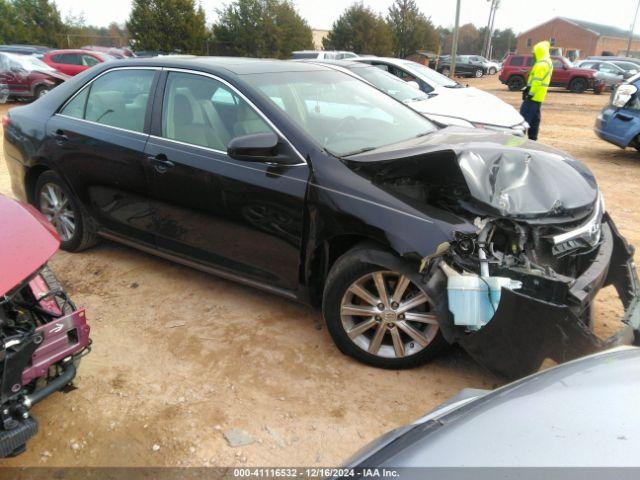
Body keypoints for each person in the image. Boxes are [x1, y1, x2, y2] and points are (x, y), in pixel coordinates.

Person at [520, 40, 553, 141]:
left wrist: (529, 93)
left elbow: (537, 81)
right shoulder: (547, 62)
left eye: (534, 53)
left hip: (533, 97)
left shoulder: (541, 64)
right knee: (534, 120)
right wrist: (527, 88)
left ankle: (516, 142)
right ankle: (532, 140)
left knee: (523, 120)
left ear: (539, 52)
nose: (533, 55)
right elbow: (535, 80)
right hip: (538, 97)